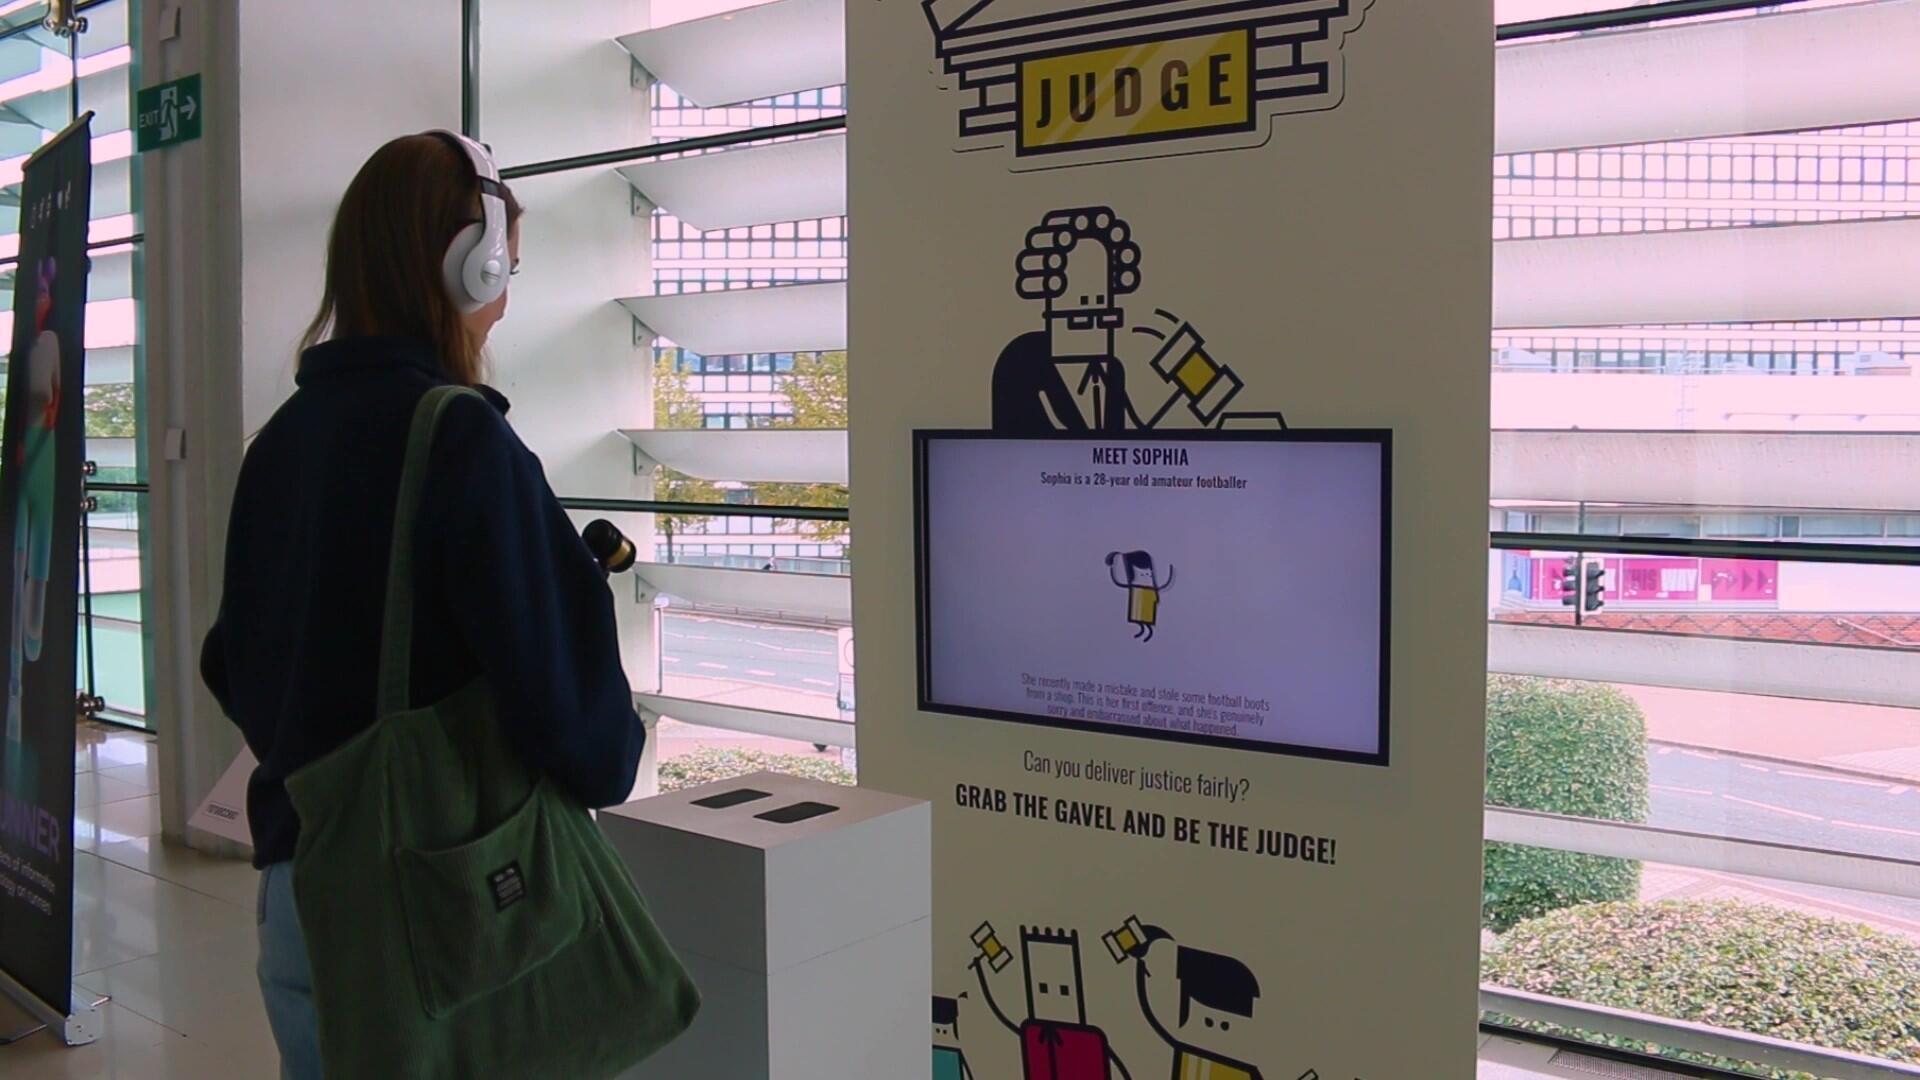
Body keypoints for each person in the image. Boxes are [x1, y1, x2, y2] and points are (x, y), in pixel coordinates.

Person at [200, 131, 645, 1080]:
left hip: (298, 890)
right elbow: (571, 714)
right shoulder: (462, 439)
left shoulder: (279, 441)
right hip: (439, 913)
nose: (505, 296)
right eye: (506, 268)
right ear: (467, 266)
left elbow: (231, 659)